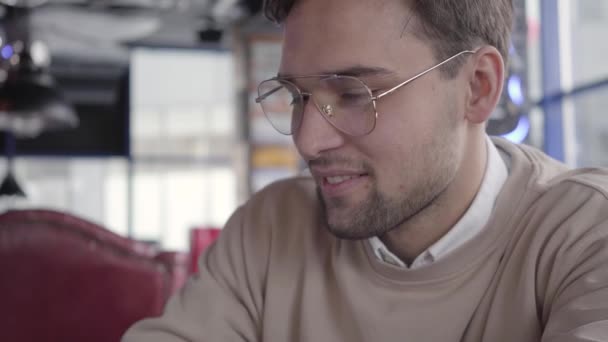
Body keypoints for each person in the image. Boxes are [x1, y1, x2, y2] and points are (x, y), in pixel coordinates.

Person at [123, 0, 608, 341]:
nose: (307, 140)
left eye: (355, 94)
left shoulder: (585, 233)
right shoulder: (271, 229)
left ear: (478, 88)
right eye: (297, 97)